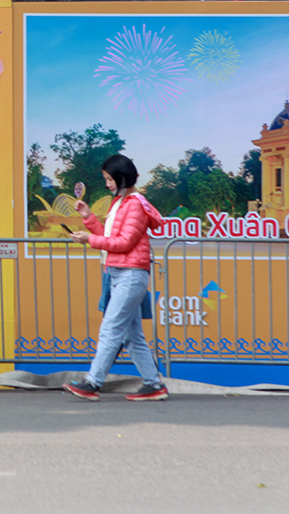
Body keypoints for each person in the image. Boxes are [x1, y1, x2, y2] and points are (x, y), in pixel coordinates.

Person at [63, 154, 169, 402]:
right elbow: (108, 238)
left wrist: (89, 239)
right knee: (132, 336)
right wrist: (89, 218)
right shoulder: (120, 203)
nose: (107, 184)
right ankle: (154, 385)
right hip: (121, 273)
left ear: (123, 177)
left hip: (131, 275)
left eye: (110, 179)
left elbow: (123, 243)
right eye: (106, 179)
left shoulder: (134, 205)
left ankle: (92, 383)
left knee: (111, 329)